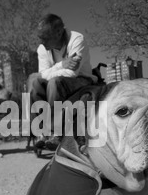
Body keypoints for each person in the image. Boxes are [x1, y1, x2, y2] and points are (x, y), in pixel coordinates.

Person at [28, 13, 97, 149]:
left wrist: (52, 72)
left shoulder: (77, 40)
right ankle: (40, 132)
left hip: (82, 80)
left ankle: (56, 132)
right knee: (35, 83)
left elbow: (71, 73)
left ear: (58, 32)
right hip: (58, 81)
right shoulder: (42, 49)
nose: (41, 42)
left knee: (54, 82)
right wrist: (61, 65)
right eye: (40, 38)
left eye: (45, 38)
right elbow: (42, 75)